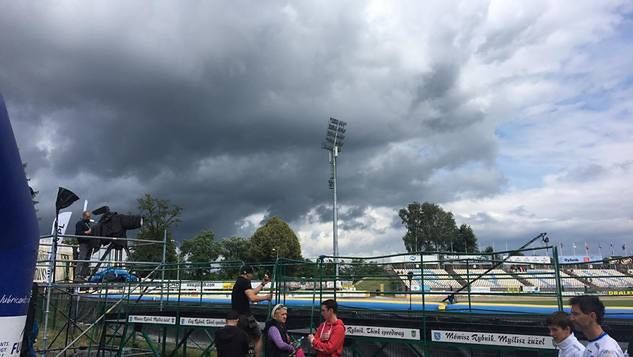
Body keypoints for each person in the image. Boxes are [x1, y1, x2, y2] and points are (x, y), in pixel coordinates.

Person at [231, 265, 272, 357]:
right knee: (258, 336)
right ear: (247, 273)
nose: (252, 275)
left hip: (237, 316)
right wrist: (266, 297)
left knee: (242, 338)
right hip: (245, 316)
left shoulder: (239, 281)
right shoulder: (245, 281)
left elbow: (252, 292)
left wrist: (262, 284)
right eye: (251, 273)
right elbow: (252, 298)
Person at [74, 211, 95, 280]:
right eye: (87, 216)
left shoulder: (90, 224)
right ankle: (78, 275)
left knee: (87, 260)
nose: (89, 218)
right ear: (84, 216)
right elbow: (77, 233)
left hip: (90, 243)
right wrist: (86, 232)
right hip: (83, 243)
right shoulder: (80, 223)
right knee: (82, 258)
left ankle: (83, 275)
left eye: (89, 216)